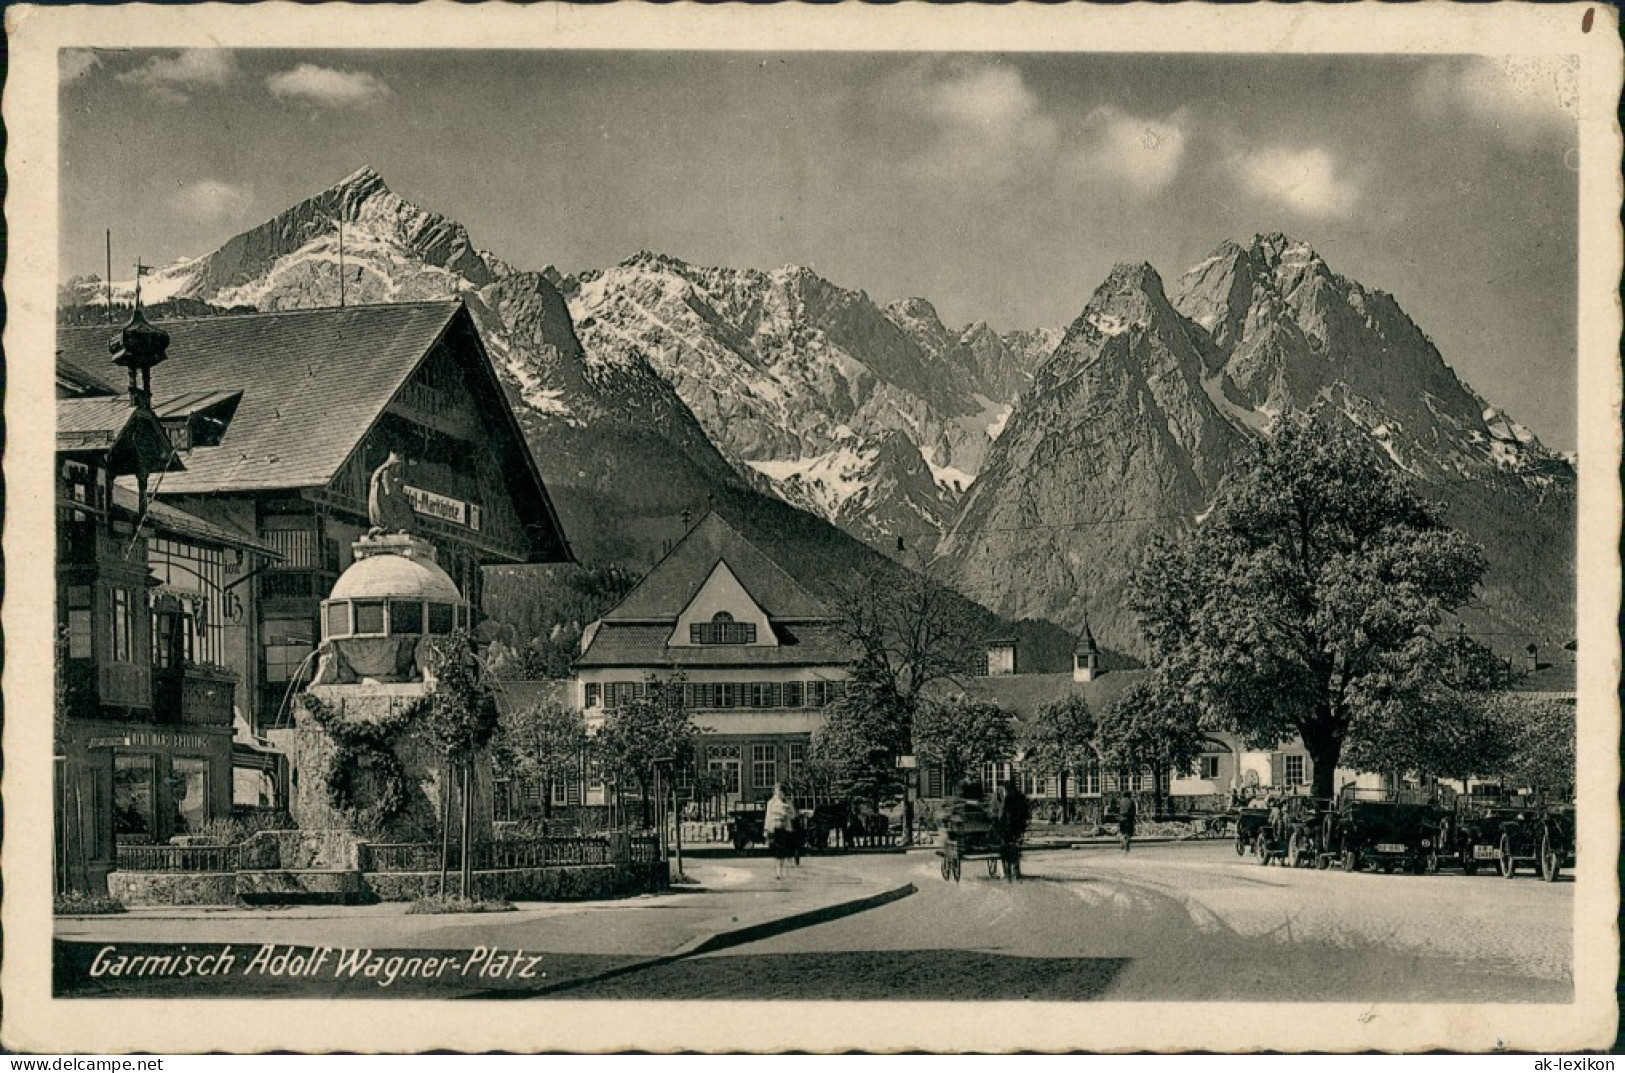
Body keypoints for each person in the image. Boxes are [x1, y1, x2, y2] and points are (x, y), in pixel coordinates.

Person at [763, 785, 796, 880]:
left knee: (784, 852)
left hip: (785, 829)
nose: (779, 793)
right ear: (775, 792)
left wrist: (787, 814)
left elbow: (793, 815)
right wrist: (766, 830)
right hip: (775, 828)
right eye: (777, 791)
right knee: (777, 852)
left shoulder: (788, 802)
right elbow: (768, 816)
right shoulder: (771, 803)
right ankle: (778, 872)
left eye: (781, 791)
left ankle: (782, 871)